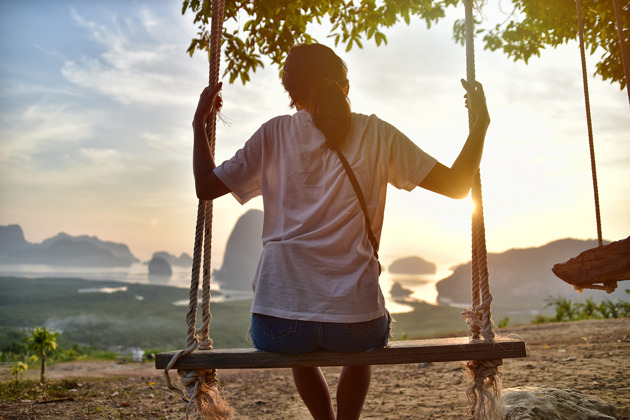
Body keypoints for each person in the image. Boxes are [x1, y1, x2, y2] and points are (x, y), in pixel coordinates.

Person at [192, 43, 490, 420]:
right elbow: (457, 184)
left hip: (280, 322)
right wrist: (481, 125)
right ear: (345, 86)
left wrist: (198, 125)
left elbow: (206, 186)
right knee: (362, 345)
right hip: (357, 323)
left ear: (290, 93)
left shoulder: (273, 134)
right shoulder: (377, 133)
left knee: (297, 352)